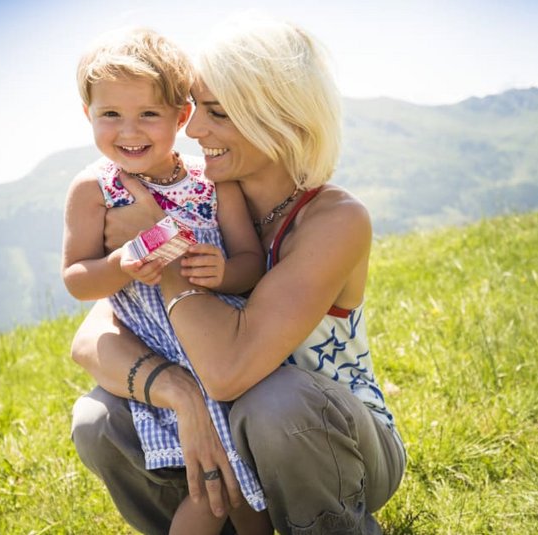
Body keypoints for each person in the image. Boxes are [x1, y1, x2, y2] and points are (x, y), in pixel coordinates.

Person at [70, 16, 406, 535]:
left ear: (277, 119)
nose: (195, 129)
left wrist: (162, 242)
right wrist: (181, 397)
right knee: (98, 420)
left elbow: (230, 372)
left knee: (273, 402)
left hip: (339, 443)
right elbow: (92, 336)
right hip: (225, 421)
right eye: (196, 108)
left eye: (217, 113)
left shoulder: (334, 220)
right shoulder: (194, 198)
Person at [61, 27, 271, 535]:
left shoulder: (212, 183)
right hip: (152, 354)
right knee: (210, 487)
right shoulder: (94, 190)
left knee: (240, 493)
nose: (128, 131)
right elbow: (76, 278)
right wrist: (119, 266)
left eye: (148, 114)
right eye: (110, 114)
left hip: (217, 348)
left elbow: (252, 261)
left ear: (181, 117)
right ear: (87, 113)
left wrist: (224, 271)